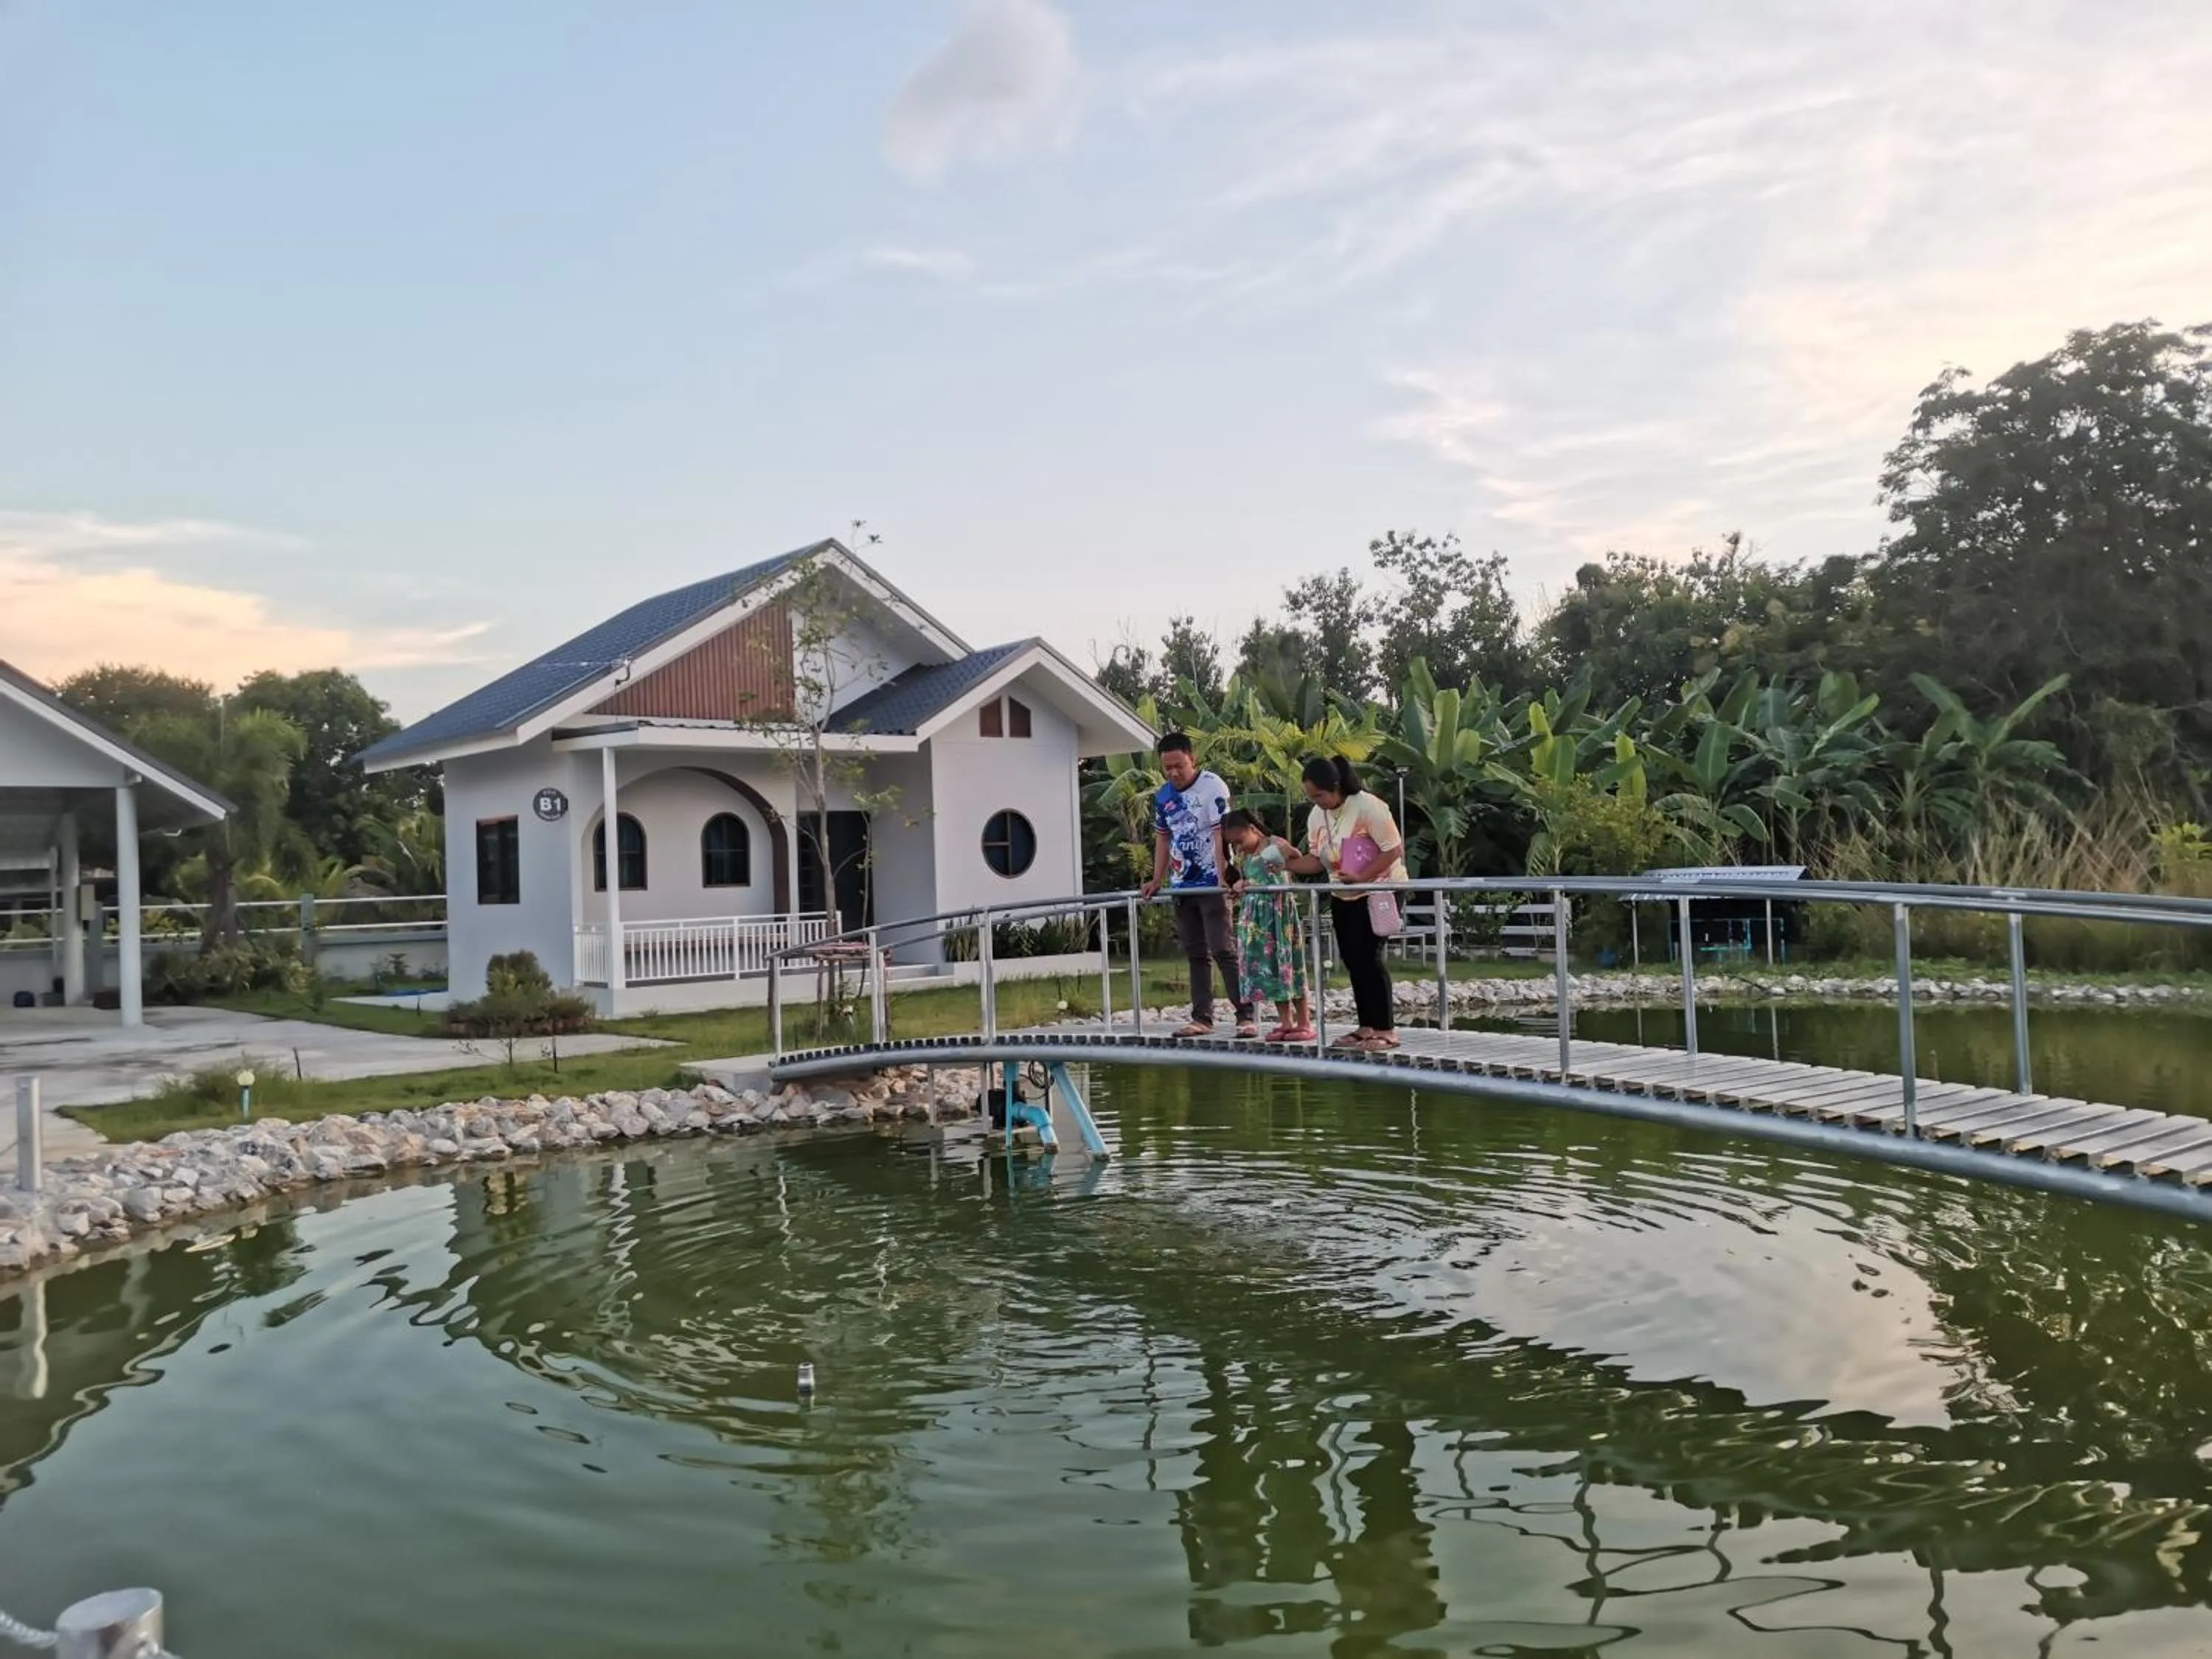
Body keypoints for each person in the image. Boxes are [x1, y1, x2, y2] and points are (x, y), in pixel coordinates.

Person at [1279, 755, 1407, 1051]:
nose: (1316, 802)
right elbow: (1315, 861)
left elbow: (1393, 850)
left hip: (1379, 890)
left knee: (1370, 958)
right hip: (1343, 893)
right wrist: (1287, 863)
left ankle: (1386, 1030)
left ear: (1335, 787)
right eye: (1311, 797)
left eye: (1320, 795)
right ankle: (1366, 1027)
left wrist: (1361, 876)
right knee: (1353, 960)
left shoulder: (1368, 807)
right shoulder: (1316, 816)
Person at [1139, 732, 1256, 1039]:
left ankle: (1245, 1014)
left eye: (1180, 765)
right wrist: (1157, 879)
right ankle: (1202, 1017)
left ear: (1193, 759)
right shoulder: (1164, 796)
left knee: (1222, 947)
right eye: (1168, 768)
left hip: (1211, 882)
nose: (1174, 773)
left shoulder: (1212, 786)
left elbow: (1221, 833)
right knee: (1195, 952)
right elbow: (1163, 838)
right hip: (1182, 884)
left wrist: (1223, 874)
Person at [1222, 809, 1314, 1043]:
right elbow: (1253, 879)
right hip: (1256, 920)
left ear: (1253, 829)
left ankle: (1304, 1022)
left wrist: (1283, 852)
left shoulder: (1273, 844)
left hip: (1278, 915)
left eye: (1240, 841)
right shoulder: (1245, 856)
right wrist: (1241, 884)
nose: (1239, 848)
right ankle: (1286, 1022)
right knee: (1270, 969)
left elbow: (1294, 856)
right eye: (1234, 845)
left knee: (1289, 967)